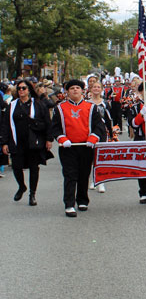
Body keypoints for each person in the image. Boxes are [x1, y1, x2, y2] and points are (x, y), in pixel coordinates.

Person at [51, 79, 105, 217]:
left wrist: (93, 138)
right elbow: (54, 128)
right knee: (70, 175)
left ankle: (82, 200)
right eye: (72, 88)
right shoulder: (60, 108)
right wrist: (62, 139)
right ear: (67, 92)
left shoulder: (91, 107)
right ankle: (69, 204)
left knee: (83, 174)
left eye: (77, 88)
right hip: (68, 147)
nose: (75, 90)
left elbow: (99, 126)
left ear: (82, 91)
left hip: (85, 146)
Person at [1, 79, 53, 205]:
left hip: (34, 141)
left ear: (29, 90)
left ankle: (32, 194)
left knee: (34, 168)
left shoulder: (39, 104)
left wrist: (49, 139)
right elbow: (5, 124)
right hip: (16, 140)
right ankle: (21, 186)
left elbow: (47, 122)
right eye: (19, 88)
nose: (21, 91)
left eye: (24, 88)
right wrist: (4, 142)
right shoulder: (12, 105)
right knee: (16, 167)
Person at [88, 81, 113, 193]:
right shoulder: (86, 103)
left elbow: (108, 119)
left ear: (102, 89)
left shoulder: (106, 103)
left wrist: (111, 134)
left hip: (102, 132)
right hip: (90, 132)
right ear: (91, 89)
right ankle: (92, 180)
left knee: (101, 158)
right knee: (90, 157)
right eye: (94, 87)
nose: (96, 89)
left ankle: (101, 182)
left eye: (98, 87)